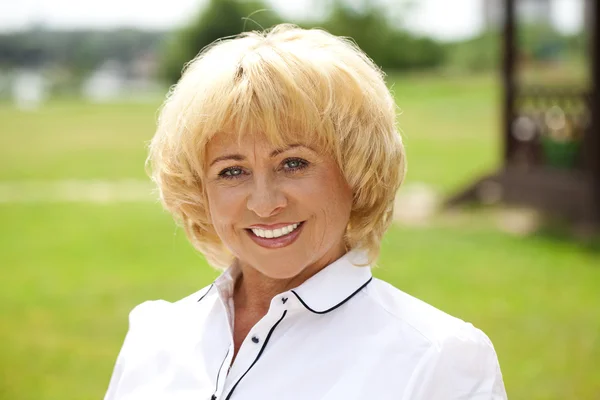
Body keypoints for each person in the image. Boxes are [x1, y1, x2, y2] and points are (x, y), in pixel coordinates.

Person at [104, 24, 507, 400]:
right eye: (232, 171)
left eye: (293, 163)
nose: (264, 203)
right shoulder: (153, 336)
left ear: (357, 170)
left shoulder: (438, 357)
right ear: (199, 189)